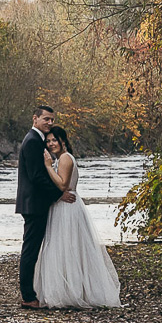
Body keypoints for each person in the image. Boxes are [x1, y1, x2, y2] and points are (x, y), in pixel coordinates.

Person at [33, 126, 121, 308]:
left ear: (62, 141)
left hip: (67, 207)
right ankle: (64, 290)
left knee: (67, 247)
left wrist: (48, 166)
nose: (50, 144)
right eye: (48, 141)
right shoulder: (61, 158)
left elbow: (63, 185)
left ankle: (70, 292)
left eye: (54, 140)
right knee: (61, 247)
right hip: (62, 206)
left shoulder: (65, 158)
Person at [16, 105, 74, 308]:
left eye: (52, 120)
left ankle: (31, 294)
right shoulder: (33, 141)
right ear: (35, 119)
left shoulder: (36, 140)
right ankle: (28, 297)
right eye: (46, 119)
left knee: (32, 248)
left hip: (34, 203)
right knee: (30, 250)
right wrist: (59, 194)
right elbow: (36, 176)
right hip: (34, 204)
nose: (50, 123)